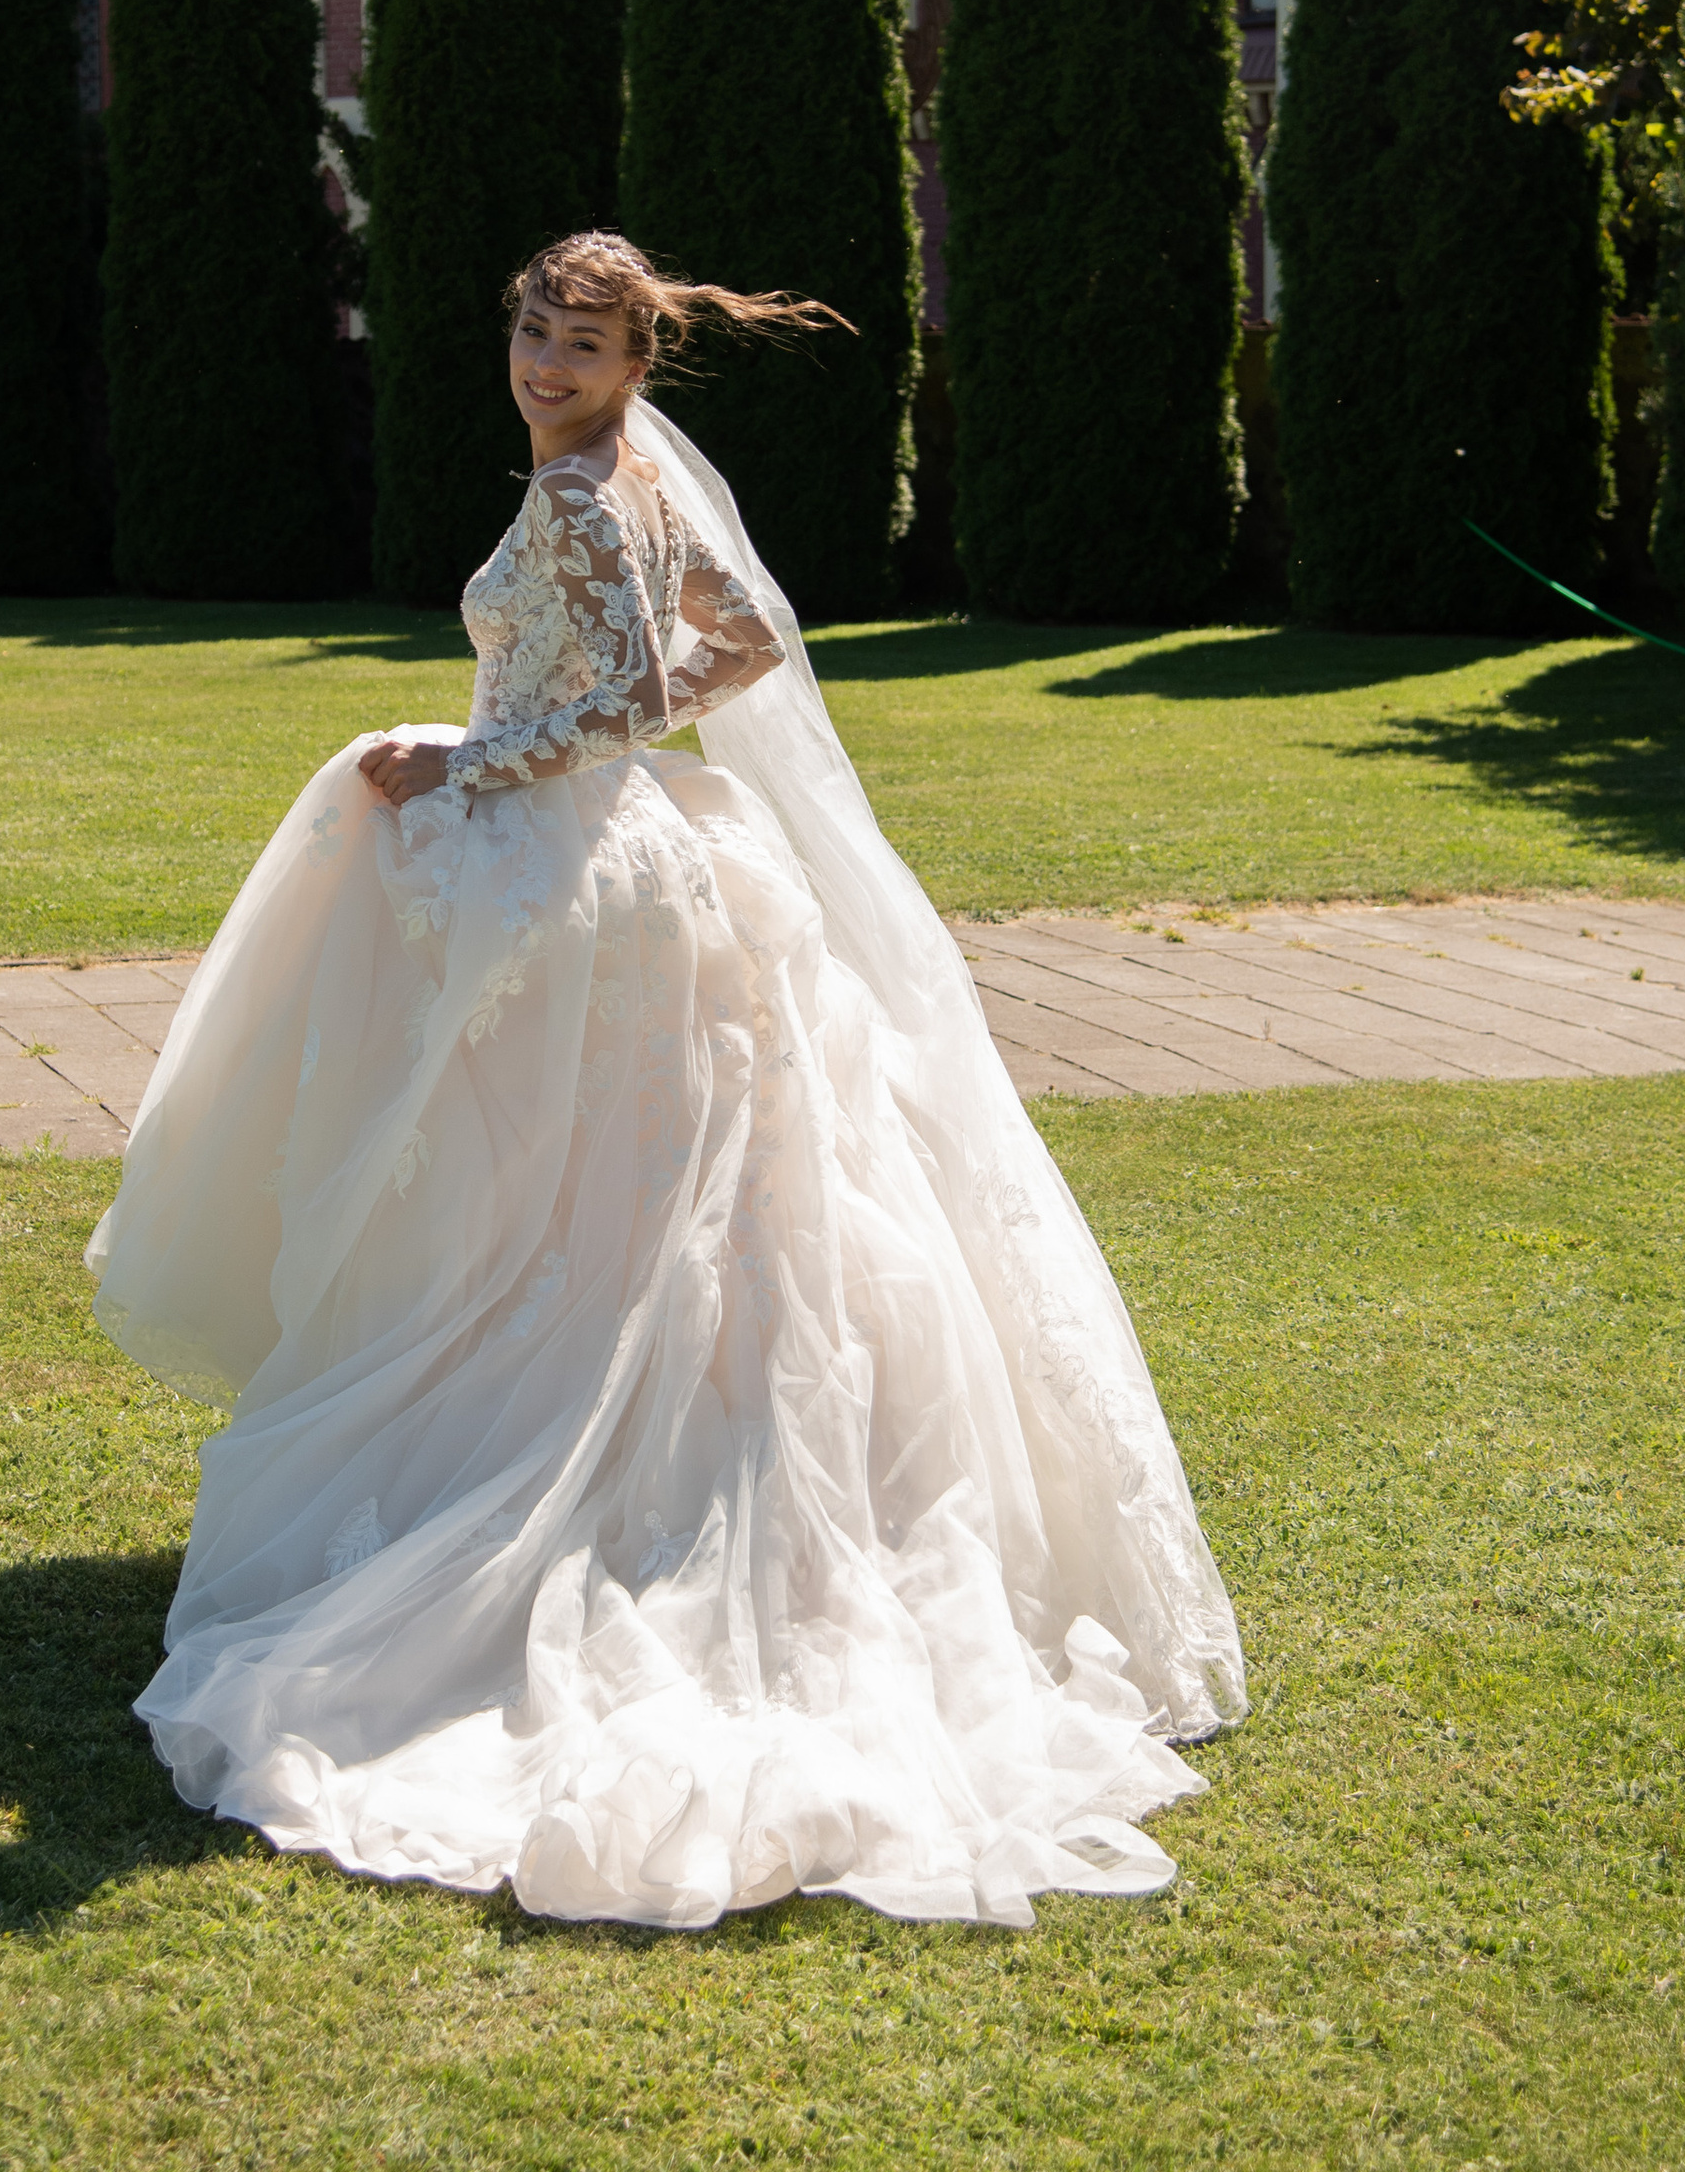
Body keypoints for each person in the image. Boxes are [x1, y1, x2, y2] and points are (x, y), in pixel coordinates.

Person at [89, 233, 1244, 1930]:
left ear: (641, 358)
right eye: (536, 332)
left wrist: (463, 754)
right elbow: (751, 633)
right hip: (647, 861)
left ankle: (576, 1500)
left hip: (577, 866)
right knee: (643, 1208)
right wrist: (557, 725)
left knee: (555, 1198)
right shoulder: (615, 473)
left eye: (587, 343)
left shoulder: (578, 491)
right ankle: (664, 1484)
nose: (552, 364)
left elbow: (631, 687)